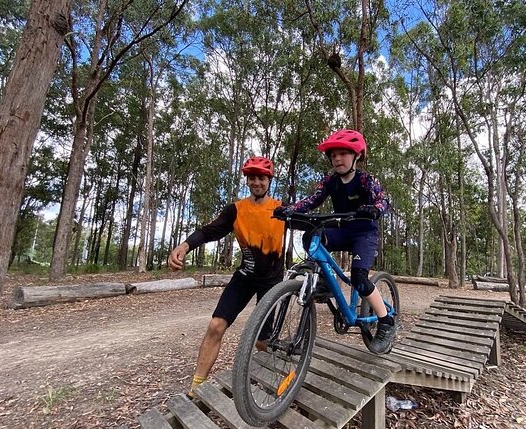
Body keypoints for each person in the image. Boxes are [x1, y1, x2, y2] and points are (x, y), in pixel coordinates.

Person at [168, 156, 285, 396]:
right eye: (252, 178)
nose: (256, 182)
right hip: (245, 275)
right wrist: (185, 245)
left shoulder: (280, 209)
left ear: (269, 180)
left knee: (264, 341)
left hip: (272, 280)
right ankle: (197, 387)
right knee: (216, 325)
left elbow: (308, 224)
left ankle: (268, 385)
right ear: (247, 180)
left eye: (261, 177)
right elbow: (211, 230)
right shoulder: (236, 210)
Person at [274, 129, 395, 354]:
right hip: (341, 229)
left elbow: (383, 199)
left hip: (364, 233)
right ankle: (321, 281)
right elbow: (312, 200)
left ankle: (386, 323)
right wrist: (289, 210)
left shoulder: (365, 179)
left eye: (343, 154)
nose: (337, 159)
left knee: (359, 278)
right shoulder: (330, 180)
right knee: (312, 236)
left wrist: (375, 209)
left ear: (356, 156)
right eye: (333, 155)